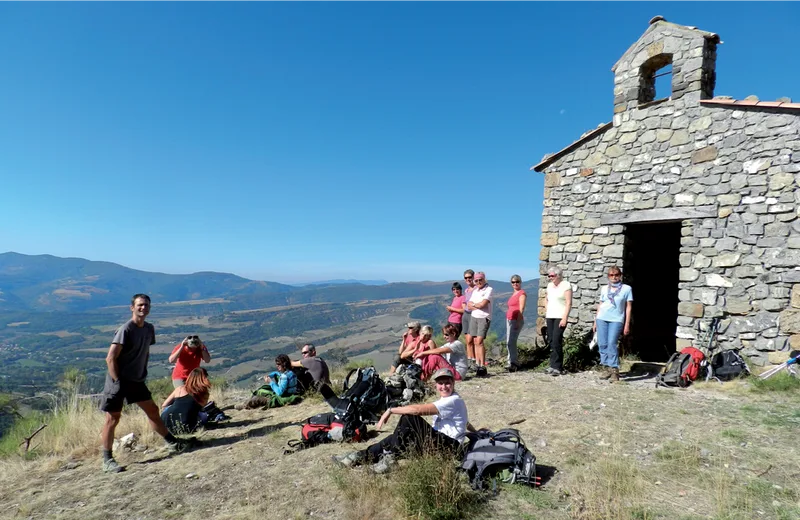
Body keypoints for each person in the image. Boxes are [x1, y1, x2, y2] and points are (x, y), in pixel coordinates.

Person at [99, 294, 187, 473]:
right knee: (112, 418)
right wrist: (116, 381)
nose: (143, 308)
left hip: (136, 380)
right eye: (140, 305)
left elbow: (143, 352)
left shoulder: (149, 329)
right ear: (132, 307)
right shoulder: (126, 329)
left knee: (152, 410)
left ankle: (172, 442)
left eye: (146, 305)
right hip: (119, 381)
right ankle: (107, 460)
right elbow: (110, 358)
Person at [333, 367, 475, 473]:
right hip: (438, 442)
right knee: (393, 438)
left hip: (449, 447)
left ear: (453, 383)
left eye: (447, 383)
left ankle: (389, 458)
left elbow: (418, 410)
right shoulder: (450, 400)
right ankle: (358, 457)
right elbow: (463, 420)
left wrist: (391, 410)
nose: (444, 386)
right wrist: (475, 432)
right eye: (440, 383)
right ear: (435, 385)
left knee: (409, 418)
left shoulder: (453, 400)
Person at [593, 265, 633, 382]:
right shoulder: (605, 289)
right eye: (611, 275)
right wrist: (595, 321)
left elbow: (628, 308)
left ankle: (615, 370)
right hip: (602, 318)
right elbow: (600, 305)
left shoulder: (627, 289)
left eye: (616, 275)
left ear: (620, 276)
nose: (614, 277)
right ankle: (607, 367)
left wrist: (627, 324)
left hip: (616, 319)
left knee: (611, 343)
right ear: (608, 276)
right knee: (602, 343)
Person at [160, 367, 211, 435]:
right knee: (203, 415)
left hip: (165, 424)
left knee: (168, 408)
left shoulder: (180, 388)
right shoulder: (204, 393)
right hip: (187, 425)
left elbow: (164, 405)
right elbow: (201, 408)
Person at [545, 266, 573, 376]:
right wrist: (547, 309)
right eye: (549, 276)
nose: (550, 278)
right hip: (550, 316)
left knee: (557, 340)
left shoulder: (566, 285)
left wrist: (565, 317)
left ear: (559, 275)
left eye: (552, 276)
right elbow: (547, 299)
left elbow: (568, 302)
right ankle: (552, 365)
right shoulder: (549, 286)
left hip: (560, 316)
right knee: (551, 340)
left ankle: (558, 367)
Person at [467, 272, 493, 377]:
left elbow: (483, 304)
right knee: (474, 341)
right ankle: (478, 364)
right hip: (474, 316)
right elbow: (469, 306)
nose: (478, 282)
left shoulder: (489, 290)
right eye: (476, 280)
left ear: (484, 279)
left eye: (480, 280)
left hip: (484, 317)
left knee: (480, 341)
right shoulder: (475, 291)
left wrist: (475, 305)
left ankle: (482, 365)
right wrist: (476, 305)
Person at [505, 275, 527, 372]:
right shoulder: (514, 293)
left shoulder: (521, 293)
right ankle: (510, 361)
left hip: (516, 320)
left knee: (511, 342)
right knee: (508, 342)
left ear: (520, 282)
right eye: (513, 282)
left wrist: (518, 321)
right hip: (509, 320)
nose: (515, 284)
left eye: (517, 281)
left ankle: (514, 363)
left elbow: (521, 308)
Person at [462, 269, 477, 369]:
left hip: (474, 315)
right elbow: (464, 301)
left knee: (473, 339)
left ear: (473, 278)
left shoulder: (477, 289)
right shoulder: (466, 290)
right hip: (466, 315)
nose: (468, 279)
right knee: (468, 340)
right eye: (466, 278)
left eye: (469, 277)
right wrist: (464, 308)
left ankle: (476, 361)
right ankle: (470, 359)